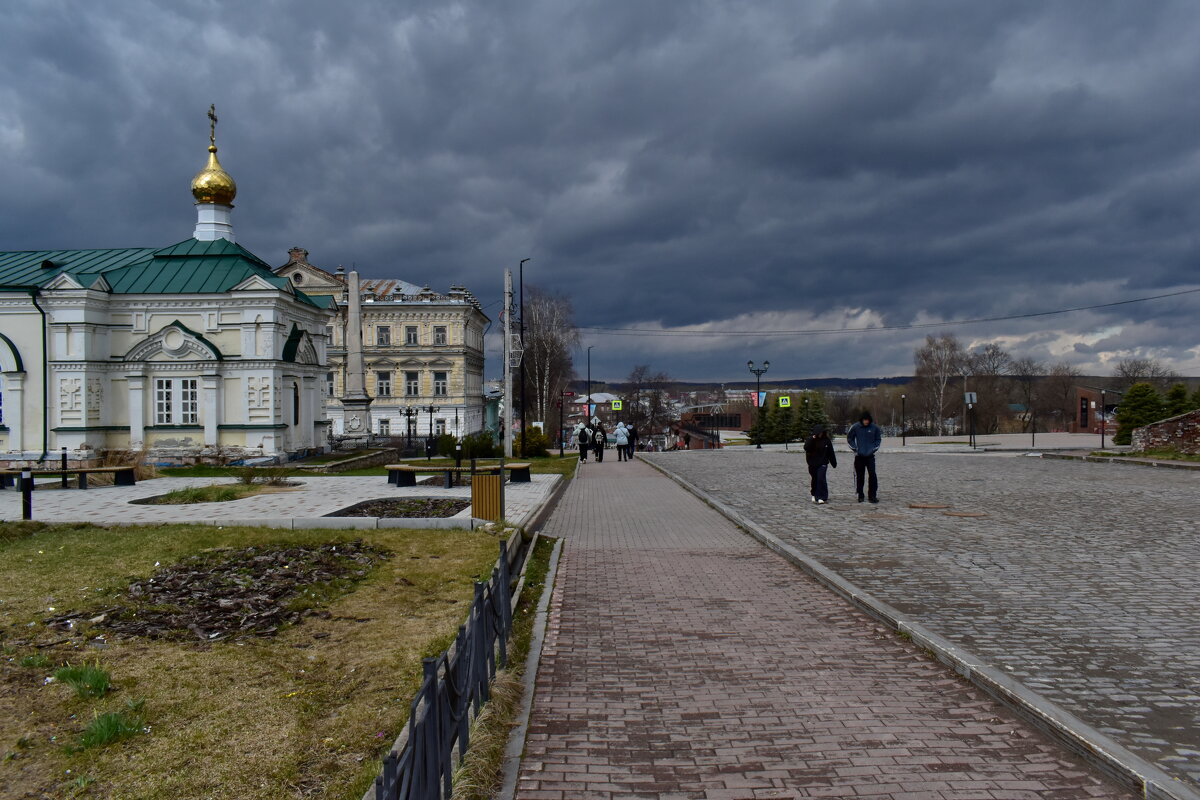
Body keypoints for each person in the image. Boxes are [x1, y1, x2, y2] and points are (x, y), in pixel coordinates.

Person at [846, 411, 882, 503]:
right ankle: (860, 495)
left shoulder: (875, 428)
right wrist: (855, 448)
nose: (866, 421)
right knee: (860, 476)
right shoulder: (855, 427)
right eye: (864, 420)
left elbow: (878, 439)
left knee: (873, 475)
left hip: (870, 456)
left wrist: (873, 449)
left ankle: (872, 496)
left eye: (867, 420)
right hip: (859, 457)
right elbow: (849, 438)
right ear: (861, 420)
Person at [803, 425, 837, 504]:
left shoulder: (826, 440)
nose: (820, 434)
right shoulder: (811, 439)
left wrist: (834, 463)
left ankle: (822, 497)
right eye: (819, 433)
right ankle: (814, 493)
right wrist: (812, 439)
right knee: (815, 479)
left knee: (821, 478)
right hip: (812, 463)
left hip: (823, 462)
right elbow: (806, 448)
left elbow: (831, 452)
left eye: (821, 432)